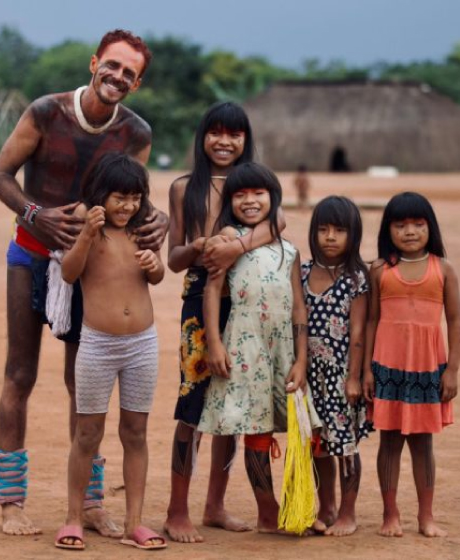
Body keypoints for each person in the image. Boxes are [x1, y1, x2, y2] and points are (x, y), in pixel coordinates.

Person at [0, 29, 167, 537]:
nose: (117, 77)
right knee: (20, 375)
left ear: (137, 84)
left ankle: (90, 504)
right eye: (111, 66)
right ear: (94, 63)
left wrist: (161, 222)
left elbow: (132, 201)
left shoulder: (135, 133)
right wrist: (35, 213)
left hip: (91, 267)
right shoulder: (47, 113)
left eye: (129, 73)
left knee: (79, 386)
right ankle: (11, 501)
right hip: (31, 254)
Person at [165, 102, 285, 543]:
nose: (224, 142)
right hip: (200, 303)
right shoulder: (183, 188)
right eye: (215, 132)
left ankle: (214, 505)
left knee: (233, 404)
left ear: (245, 139)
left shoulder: (253, 184)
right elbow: (174, 258)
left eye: (233, 134)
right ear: (202, 137)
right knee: (193, 405)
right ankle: (178, 509)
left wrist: (238, 247)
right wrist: (200, 245)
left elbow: (281, 221)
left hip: (249, 303)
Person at [55, 153, 166, 551]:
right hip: (98, 343)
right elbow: (69, 273)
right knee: (87, 432)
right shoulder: (89, 227)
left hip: (142, 343)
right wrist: (86, 234)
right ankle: (74, 517)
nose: (127, 206)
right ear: (102, 194)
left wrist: (154, 263)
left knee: (135, 431)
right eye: (120, 197)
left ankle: (135, 522)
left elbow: (156, 276)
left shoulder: (141, 230)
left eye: (135, 198)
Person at [198, 162, 311, 534]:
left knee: (299, 429)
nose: (249, 201)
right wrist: (214, 342)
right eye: (240, 194)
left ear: (272, 199)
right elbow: (212, 290)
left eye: (258, 193)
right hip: (244, 348)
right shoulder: (227, 240)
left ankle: (303, 503)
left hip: (282, 350)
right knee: (253, 429)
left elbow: (298, 306)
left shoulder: (290, 252)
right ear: (230, 201)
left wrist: (301, 358)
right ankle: (268, 510)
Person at [362, 191, 460, 538]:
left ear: (430, 227)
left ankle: (427, 516)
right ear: (387, 230)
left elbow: (455, 320)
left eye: (418, 224)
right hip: (387, 367)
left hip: (427, 369)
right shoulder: (379, 269)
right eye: (400, 225)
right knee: (388, 442)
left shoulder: (443, 268)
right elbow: (371, 321)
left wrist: (451, 370)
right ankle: (390, 514)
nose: (409, 232)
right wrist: (365, 371)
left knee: (423, 444)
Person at [301, 196, 373, 537]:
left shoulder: (356, 278)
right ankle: (325, 506)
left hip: (341, 376)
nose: (330, 237)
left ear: (353, 235)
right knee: (317, 445)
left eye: (339, 230)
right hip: (309, 376)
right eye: (323, 229)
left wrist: (354, 377)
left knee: (344, 445)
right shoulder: (301, 273)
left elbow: (358, 332)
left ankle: (348, 512)